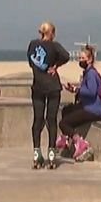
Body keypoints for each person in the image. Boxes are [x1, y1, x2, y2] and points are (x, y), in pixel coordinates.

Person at [27, 22, 71, 169]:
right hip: (53, 87)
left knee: (37, 119)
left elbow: (31, 62)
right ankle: (51, 154)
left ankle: (36, 153)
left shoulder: (32, 44)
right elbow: (66, 55)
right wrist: (56, 66)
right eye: (54, 32)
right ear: (50, 33)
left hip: (38, 87)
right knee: (51, 120)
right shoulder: (55, 46)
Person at [55, 45, 101, 163]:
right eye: (79, 58)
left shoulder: (91, 74)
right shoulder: (88, 73)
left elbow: (91, 92)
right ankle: (65, 139)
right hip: (88, 106)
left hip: (94, 110)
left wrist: (77, 90)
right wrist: (74, 89)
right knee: (66, 110)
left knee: (64, 123)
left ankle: (80, 142)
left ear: (89, 60)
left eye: (82, 58)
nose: (80, 60)